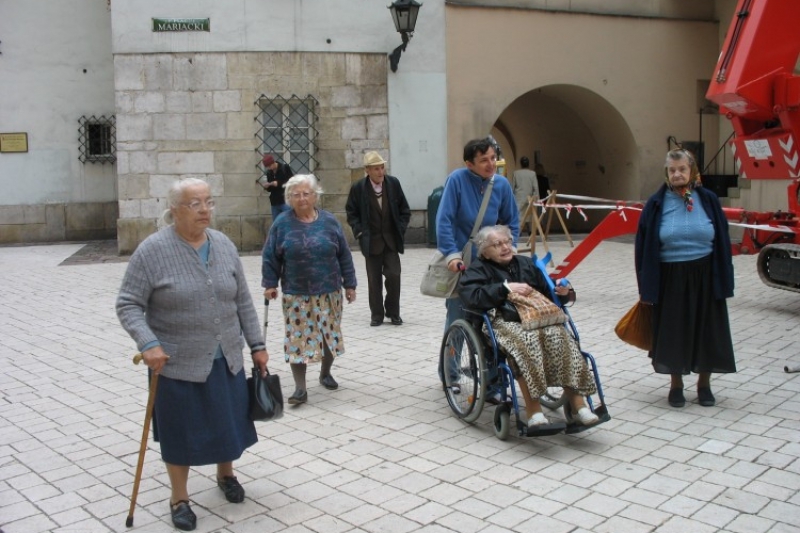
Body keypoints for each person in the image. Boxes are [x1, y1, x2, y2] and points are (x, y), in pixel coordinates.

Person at [116, 178, 268, 532]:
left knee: (228, 421)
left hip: (227, 355)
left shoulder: (224, 245)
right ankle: (179, 497)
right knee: (180, 432)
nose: (204, 210)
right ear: (174, 210)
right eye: (194, 204)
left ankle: (226, 474)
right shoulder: (152, 250)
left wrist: (257, 346)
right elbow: (128, 303)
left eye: (209, 202)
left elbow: (243, 300)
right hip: (176, 362)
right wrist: (148, 343)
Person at [459, 225, 600, 428]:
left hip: (538, 319)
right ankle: (534, 412)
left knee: (561, 338)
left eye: (507, 241)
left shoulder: (525, 264)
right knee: (526, 343)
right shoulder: (478, 269)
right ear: (484, 250)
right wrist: (504, 288)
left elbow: (547, 292)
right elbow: (471, 298)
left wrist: (563, 292)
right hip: (503, 322)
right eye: (497, 244)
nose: (505, 247)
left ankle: (580, 406)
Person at [635, 148, 735, 408]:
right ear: (667, 172)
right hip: (671, 275)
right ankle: (676, 385)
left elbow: (722, 239)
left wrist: (725, 277)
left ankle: (704, 384)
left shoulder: (709, 199)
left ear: (692, 171)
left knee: (708, 330)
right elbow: (642, 247)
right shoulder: (656, 204)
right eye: (672, 170)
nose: (677, 174)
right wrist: (646, 288)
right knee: (673, 331)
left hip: (705, 273)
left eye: (682, 169)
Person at [261, 174, 357, 406]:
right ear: (289, 198)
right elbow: (270, 256)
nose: (302, 198)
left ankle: (325, 373)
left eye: (306, 193)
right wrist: (270, 284)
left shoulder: (330, 221)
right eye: (296, 194)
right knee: (298, 339)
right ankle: (300, 389)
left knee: (328, 337)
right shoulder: (282, 224)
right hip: (296, 293)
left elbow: (344, 253)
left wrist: (350, 284)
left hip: (329, 291)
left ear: (315, 196)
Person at [436, 137, 519, 402]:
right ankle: (449, 374)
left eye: (493, 158)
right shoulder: (457, 180)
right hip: (462, 263)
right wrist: (450, 254)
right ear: (469, 163)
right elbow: (445, 219)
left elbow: (511, 222)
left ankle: (491, 380)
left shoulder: (502, 185)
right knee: (458, 319)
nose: (490, 164)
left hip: (489, 266)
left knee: (493, 326)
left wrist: (507, 249)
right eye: (483, 160)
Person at [345, 151, 411, 327]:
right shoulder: (359, 188)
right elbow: (351, 213)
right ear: (367, 170)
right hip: (371, 241)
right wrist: (359, 232)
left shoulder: (393, 184)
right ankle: (376, 314)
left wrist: (400, 229)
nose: (381, 172)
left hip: (390, 241)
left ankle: (393, 312)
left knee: (394, 275)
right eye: (376, 169)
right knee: (374, 280)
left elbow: (405, 210)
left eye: (382, 168)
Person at [258, 154, 294, 222]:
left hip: (285, 201)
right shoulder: (269, 172)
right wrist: (267, 187)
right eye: (267, 167)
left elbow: (292, 182)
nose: (269, 168)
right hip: (274, 202)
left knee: (288, 222)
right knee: (276, 223)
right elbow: (270, 190)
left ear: (273, 162)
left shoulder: (284, 168)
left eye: (269, 166)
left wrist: (278, 183)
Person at [511, 156, 539, 232]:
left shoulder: (516, 173)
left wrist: (511, 199)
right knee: (530, 216)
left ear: (521, 164)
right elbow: (535, 188)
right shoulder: (532, 173)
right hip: (530, 198)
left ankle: (518, 232)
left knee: (519, 216)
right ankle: (531, 232)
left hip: (519, 198)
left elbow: (513, 187)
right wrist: (536, 199)